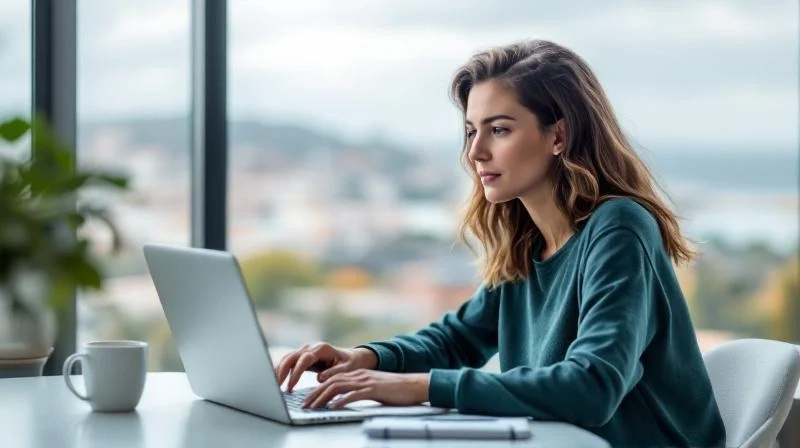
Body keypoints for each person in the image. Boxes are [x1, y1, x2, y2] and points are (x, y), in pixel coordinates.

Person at [274, 39, 726, 447]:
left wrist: (419, 386)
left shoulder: (620, 228)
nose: (475, 152)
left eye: (500, 129)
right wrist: (364, 358)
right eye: (472, 130)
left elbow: (591, 388)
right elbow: (458, 339)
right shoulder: (528, 241)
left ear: (559, 135)